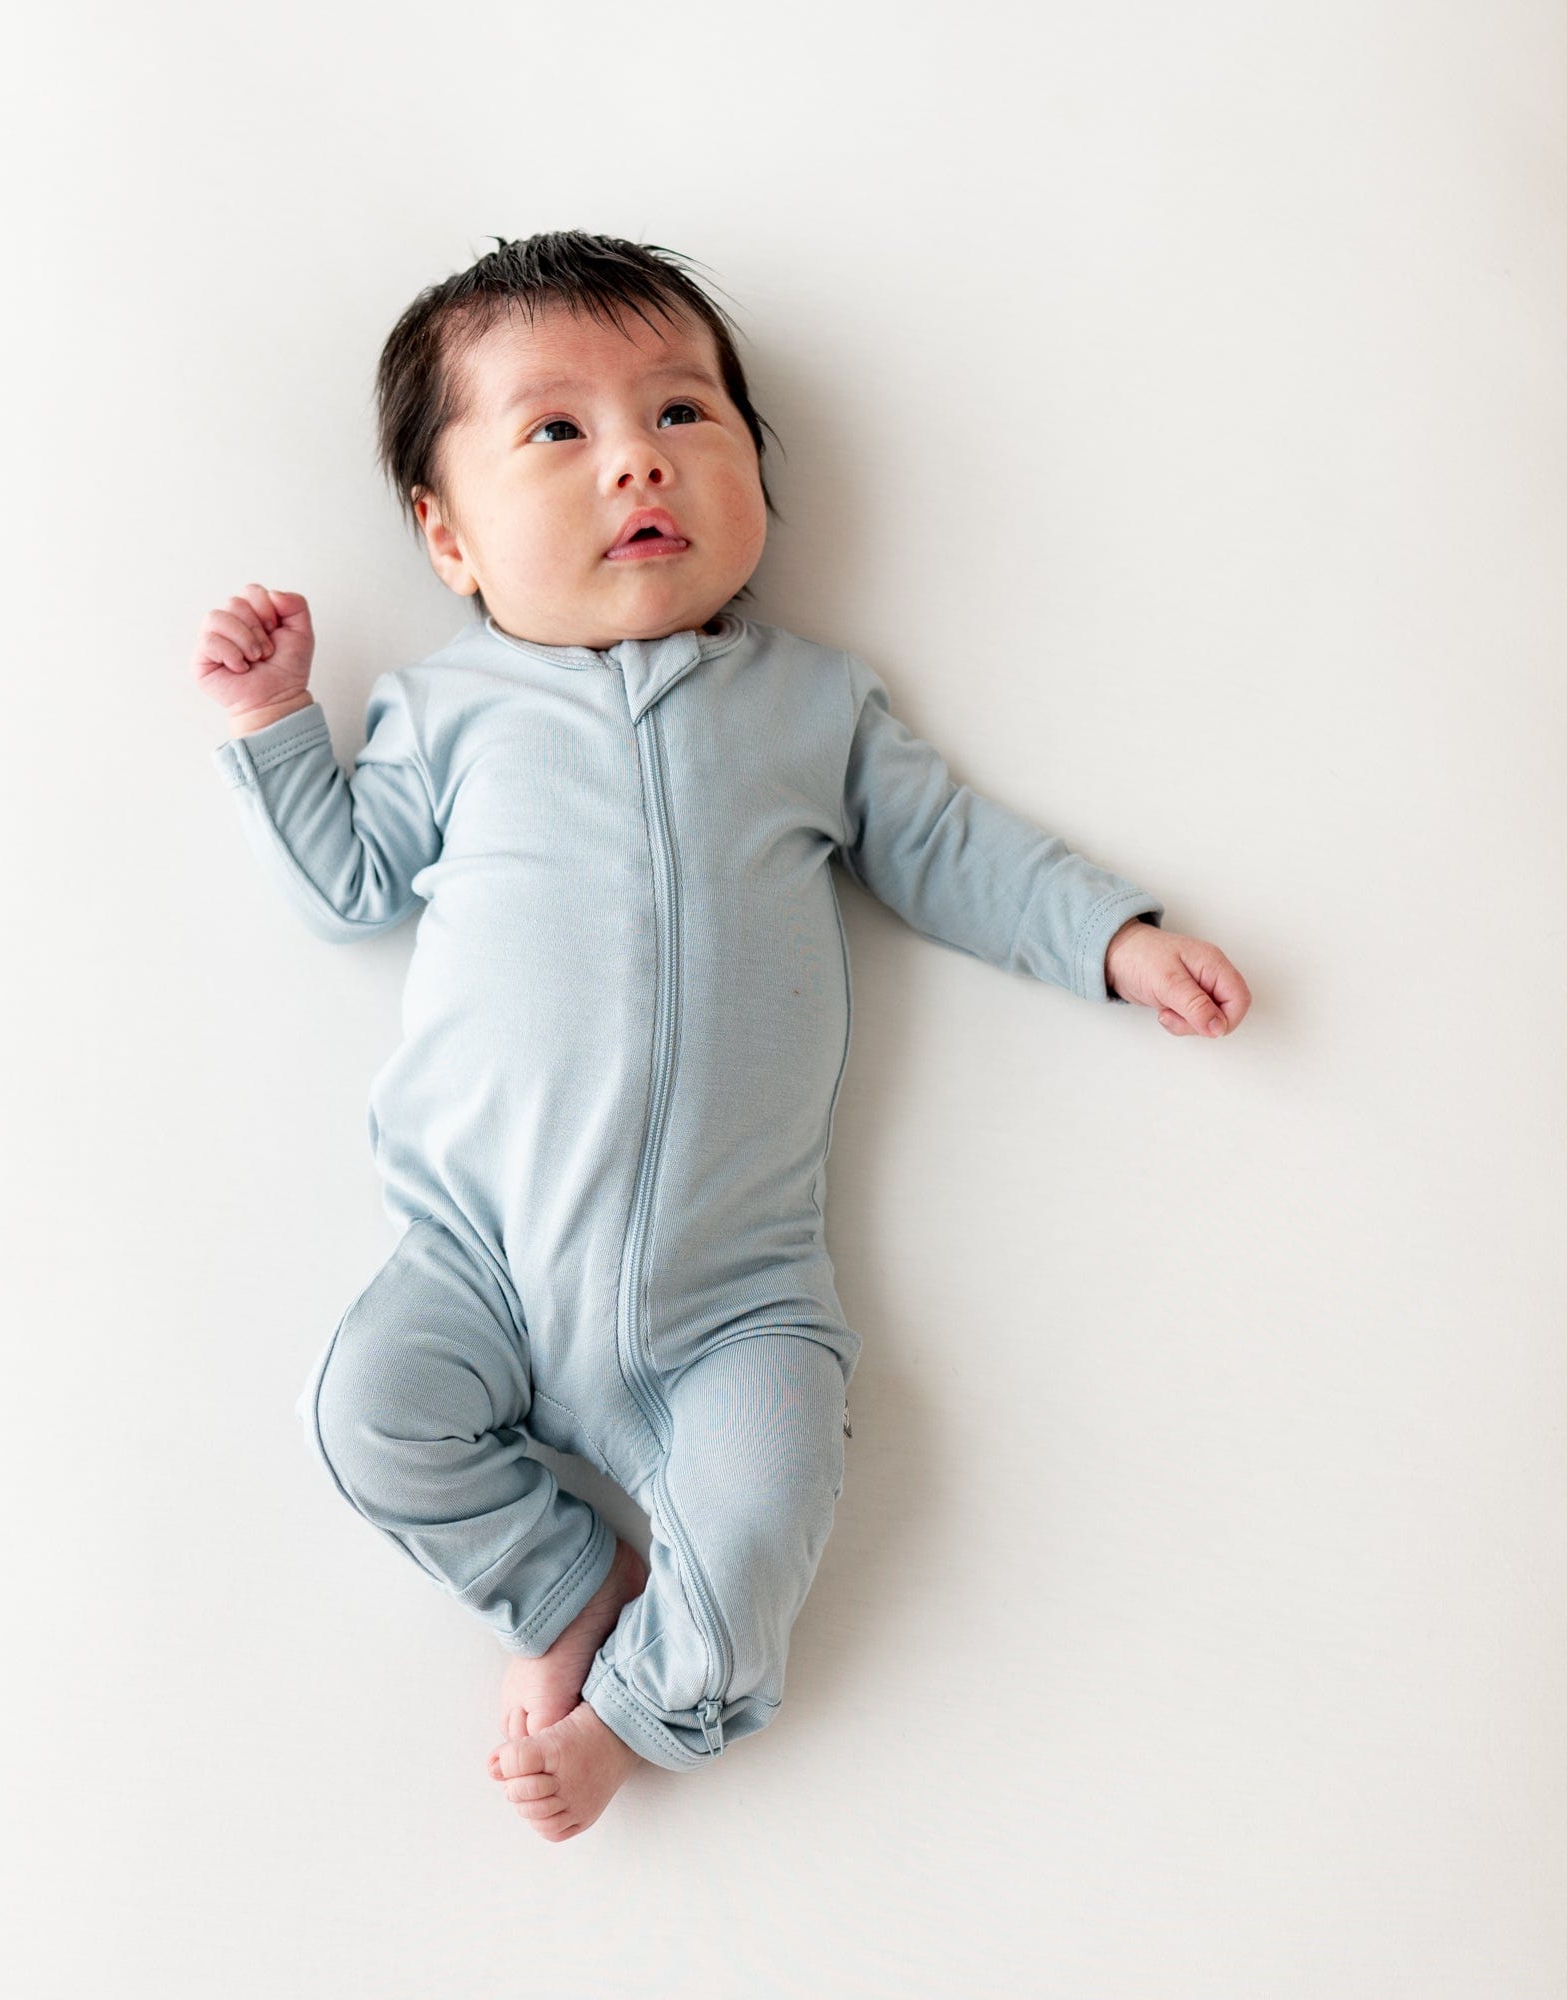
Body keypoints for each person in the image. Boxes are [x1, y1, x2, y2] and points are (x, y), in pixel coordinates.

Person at [191, 231, 1251, 1843]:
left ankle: (647, 1708)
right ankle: (568, 1584)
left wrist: (1110, 934)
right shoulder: (449, 714)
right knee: (368, 1416)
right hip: (473, 1254)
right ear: (447, 536)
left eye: (685, 413)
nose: (636, 458)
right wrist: (276, 726)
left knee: (769, 1503)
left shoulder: (810, 705)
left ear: (757, 471)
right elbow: (348, 886)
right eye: (556, 431)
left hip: (734, 1293)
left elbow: (948, 848)